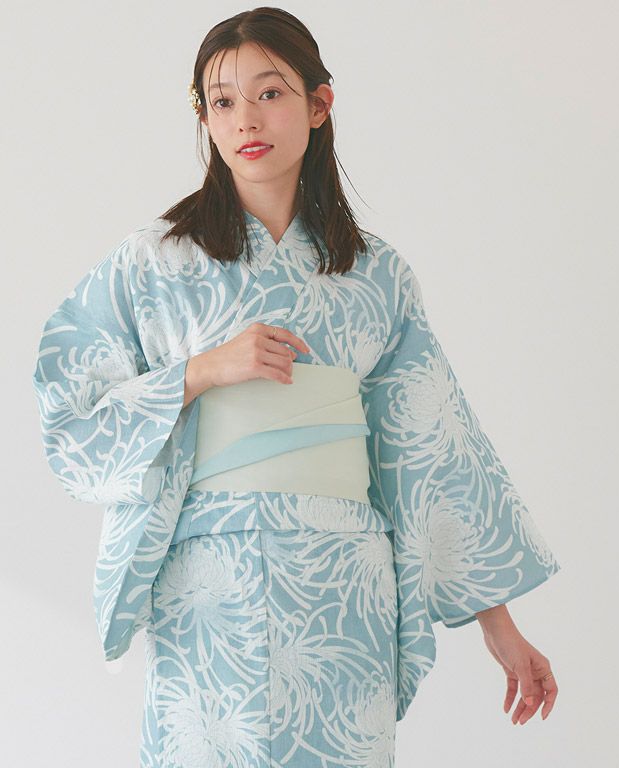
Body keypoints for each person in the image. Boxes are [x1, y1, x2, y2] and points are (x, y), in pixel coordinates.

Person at [31, 7, 561, 767]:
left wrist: (500, 627)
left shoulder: (378, 276)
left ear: (319, 104)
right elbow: (71, 411)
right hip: (207, 590)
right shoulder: (151, 262)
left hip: (344, 589)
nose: (245, 119)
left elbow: (431, 447)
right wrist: (203, 371)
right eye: (221, 101)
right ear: (205, 119)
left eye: (270, 93)